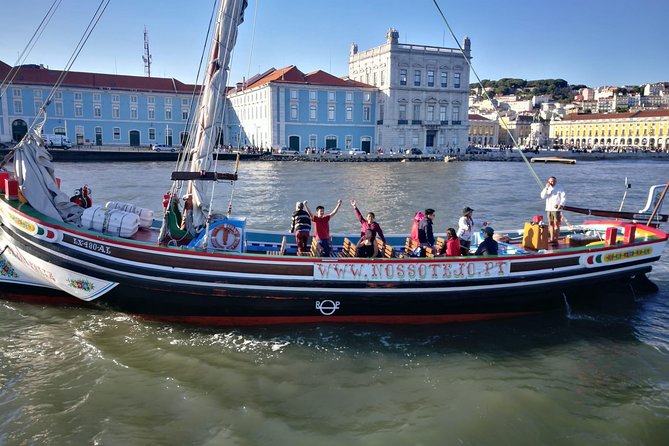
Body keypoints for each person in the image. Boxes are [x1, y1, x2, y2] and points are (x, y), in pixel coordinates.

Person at [540, 176, 566, 244]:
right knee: (550, 224)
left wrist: (561, 204)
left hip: (556, 208)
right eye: (550, 181)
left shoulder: (559, 188)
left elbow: (563, 197)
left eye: (553, 181)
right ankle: (551, 238)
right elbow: (542, 196)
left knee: (556, 224)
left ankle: (556, 239)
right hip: (549, 208)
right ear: (548, 182)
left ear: (556, 181)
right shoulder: (547, 188)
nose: (552, 183)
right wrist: (546, 188)